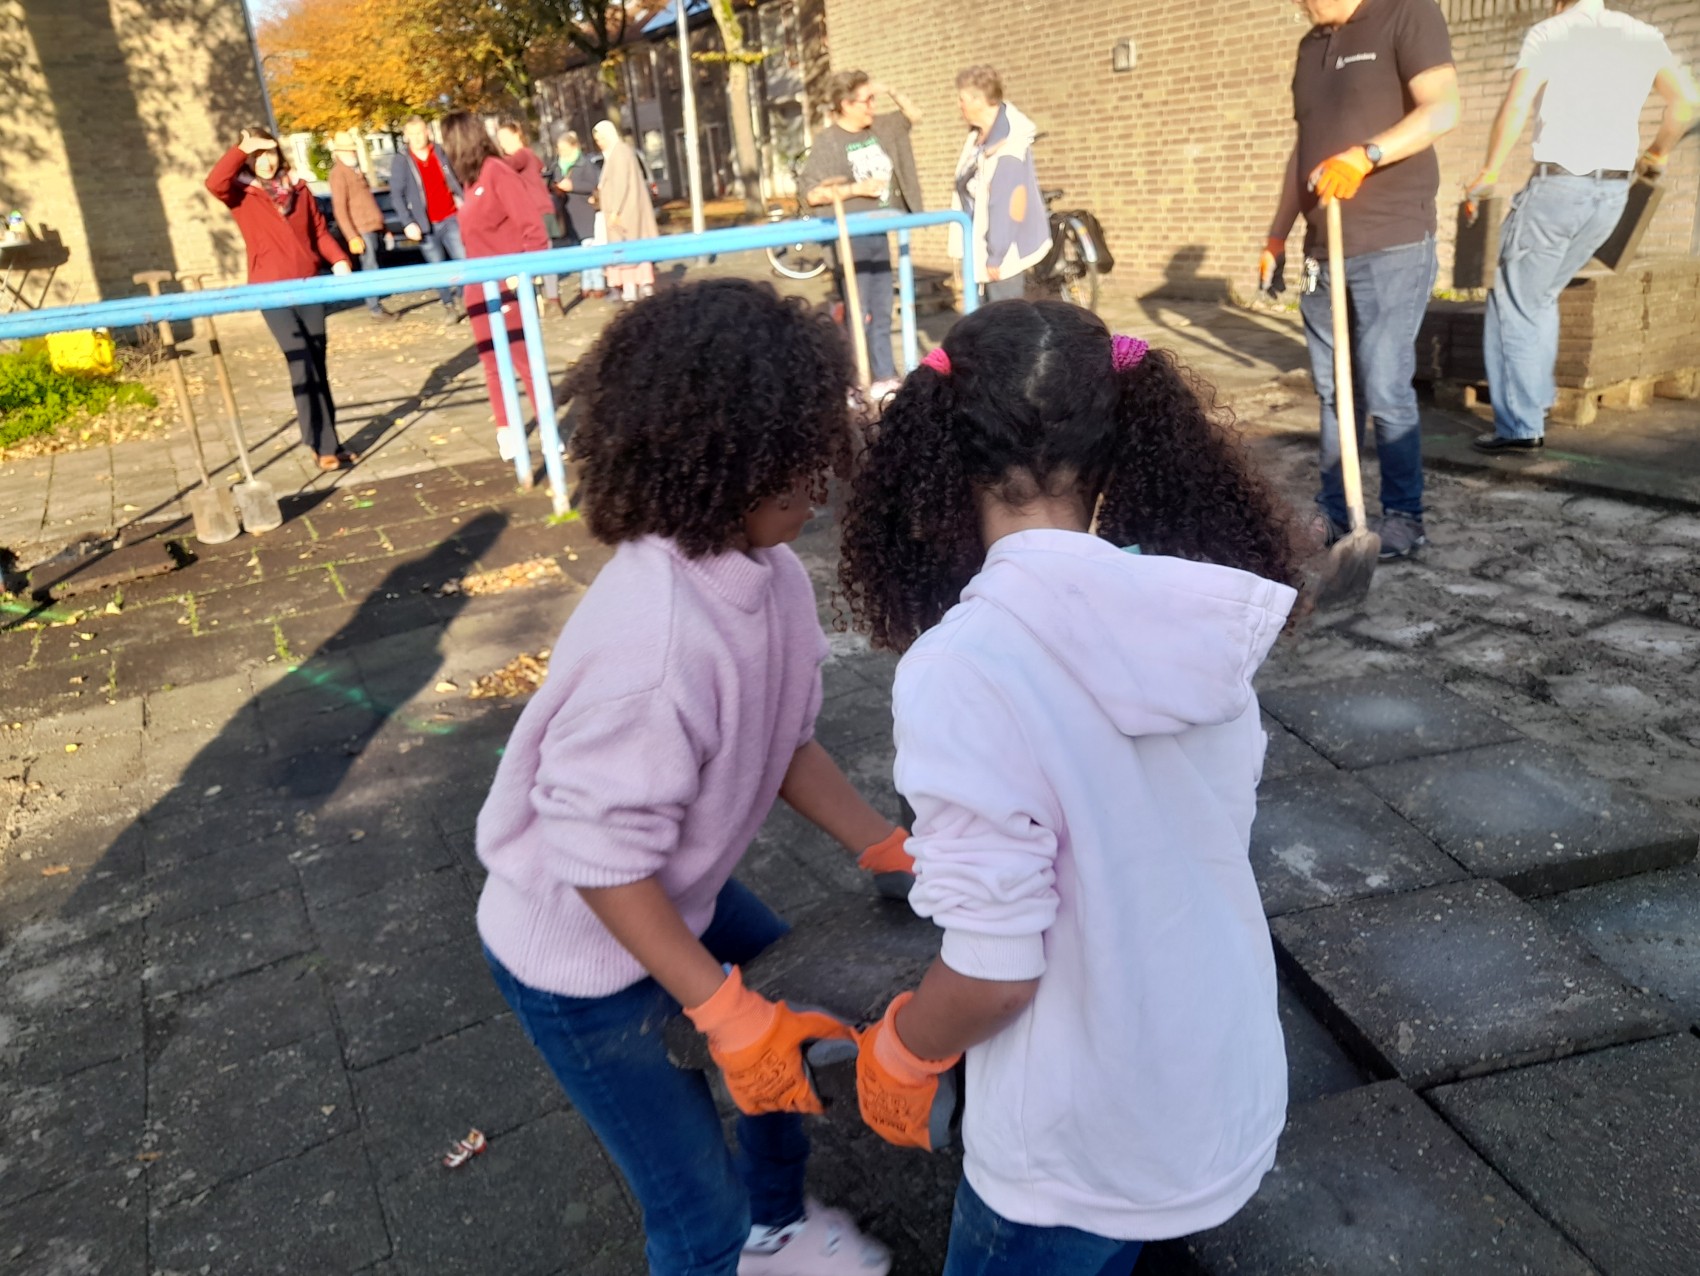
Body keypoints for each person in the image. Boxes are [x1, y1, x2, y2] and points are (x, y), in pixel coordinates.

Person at [837, 300, 1301, 1276]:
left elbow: (996, 971)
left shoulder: (959, 665)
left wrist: (902, 1047)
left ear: (939, 452)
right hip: (1211, 1073)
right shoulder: (1196, 618)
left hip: (1070, 1137)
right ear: (1124, 440)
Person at [475, 278, 909, 1276]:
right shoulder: (656, 644)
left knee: (794, 1038)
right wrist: (719, 1009)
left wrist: (878, 840)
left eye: (816, 456)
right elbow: (594, 858)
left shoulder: (774, 577)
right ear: (712, 466)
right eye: (790, 467)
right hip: (579, 951)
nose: (816, 486)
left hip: (673, 890)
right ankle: (731, 1243)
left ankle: (777, 1225)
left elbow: (783, 742)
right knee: (688, 1208)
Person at [1260, 0, 1459, 560]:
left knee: (1387, 386)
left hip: (1392, 241)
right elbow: (1303, 149)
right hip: (1323, 250)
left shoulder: (1407, 14)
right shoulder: (1311, 46)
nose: (1298, 4)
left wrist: (1366, 156)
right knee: (1333, 392)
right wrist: (1278, 232)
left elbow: (1442, 109)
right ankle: (1336, 511)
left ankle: (1403, 518)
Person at [1466, 0, 1700, 454]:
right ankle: (1539, 400)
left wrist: (1489, 172)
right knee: (1543, 295)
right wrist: (1657, 153)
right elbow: (1687, 103)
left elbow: (1517, 104)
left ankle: (1519, 426)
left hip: (1558, 190)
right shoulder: (1641, 35)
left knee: (1513, 300)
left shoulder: (1553, 31)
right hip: (1610, 196)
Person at [205, 127, 356, 471]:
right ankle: (319, 444)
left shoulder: (300, 189)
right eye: (256, 157)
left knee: (318, 360)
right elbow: (214, 183)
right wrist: (241, 147)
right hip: (270, 290)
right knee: (300, 360)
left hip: (308, 287)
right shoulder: (241, 194)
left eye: (269, 154)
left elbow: (318, 232)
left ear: (279, 154)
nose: (265, 163)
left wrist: (339, 259)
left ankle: (330, 441)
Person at [799, 71, 924, 400]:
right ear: (845, 104)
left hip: (877, 230)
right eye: (866, 100)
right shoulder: (829, 141)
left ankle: (885, 376)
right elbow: (810, 193)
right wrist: (856, 189)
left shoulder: (880, 128)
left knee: (882, 308)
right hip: (851, 235)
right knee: (860, 312)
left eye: (873, 99)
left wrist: (891, 87)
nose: (872, 106)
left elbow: (915, 116)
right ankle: (857, 380)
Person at [439, 112, 550, 464]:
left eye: (447, 143)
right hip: (478, 285)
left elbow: (533, 228)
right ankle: (506, 429)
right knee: (491, 361)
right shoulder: (471, 182)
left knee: (524, 359)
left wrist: (524, 275)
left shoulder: (497, 172)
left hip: (505, 284)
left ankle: (547, 430)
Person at [950, 67, 1049, 305]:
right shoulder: (978, 136)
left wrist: (997, 254)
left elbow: (1008, 201)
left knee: (1003, 321)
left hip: (1001, 249)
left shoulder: (1008, 145)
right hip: (980, 241)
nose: (959, 105)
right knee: (988, 321)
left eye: (962, 99)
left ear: (979, 101)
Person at [389, 115, 466, 320]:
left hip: (451, 217)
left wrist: (464, 201)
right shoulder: (402, 160)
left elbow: (457, 178)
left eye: (419, 133)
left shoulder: (441, 152)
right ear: (406, 136)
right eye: (411, 134)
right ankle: (449, 306)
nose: (416, 138)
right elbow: (396, 194)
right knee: (437, 268)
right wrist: (408, 222)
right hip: (425, 224)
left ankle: (465, 298)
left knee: (464, 260)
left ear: (428, 133)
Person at [496, 118, 566, 317]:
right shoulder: (530, 156)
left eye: (506, 138)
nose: (503, 144)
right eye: (500, 140)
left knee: (541, 257)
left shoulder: (523, 155)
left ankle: (551, 300)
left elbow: (507, 165)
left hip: (538, 213)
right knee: (538, 257)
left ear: (517, 136)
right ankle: (545, 299)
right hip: (533, 213)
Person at [327, 131, 396, 322]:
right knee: (369, 268)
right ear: (338, 152)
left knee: (374, 266)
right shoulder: (338, 174)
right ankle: (375, 308)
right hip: (361, 230)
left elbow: (368, 203)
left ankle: (377, 305)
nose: (352, 153)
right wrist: (351, 236)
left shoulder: (355, 171)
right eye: (347, 150)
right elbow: (340, 209)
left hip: (372, 227)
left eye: (353, 150)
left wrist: (383, 227)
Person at [592, 120, 660, 303]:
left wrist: (615, 210)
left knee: (627, 247)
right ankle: (637, 284)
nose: (598, 142)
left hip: (625, 213)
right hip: (625, 210)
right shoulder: (617, 152)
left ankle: (633, 285)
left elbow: (621, 183)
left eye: (600, 138)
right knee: (631, 246)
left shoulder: (619, 153)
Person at [547, 129, 606, 299]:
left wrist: (573, 186)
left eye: (564, 149)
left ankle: (597, 284)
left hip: (584, 211)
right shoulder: (557, 165)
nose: (561, 153)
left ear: (574, 147)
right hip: (567, 212)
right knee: (580, 250)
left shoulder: (585, 163)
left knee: (589, 248)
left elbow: (593, 184)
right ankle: (586, 284)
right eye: (559, 149)